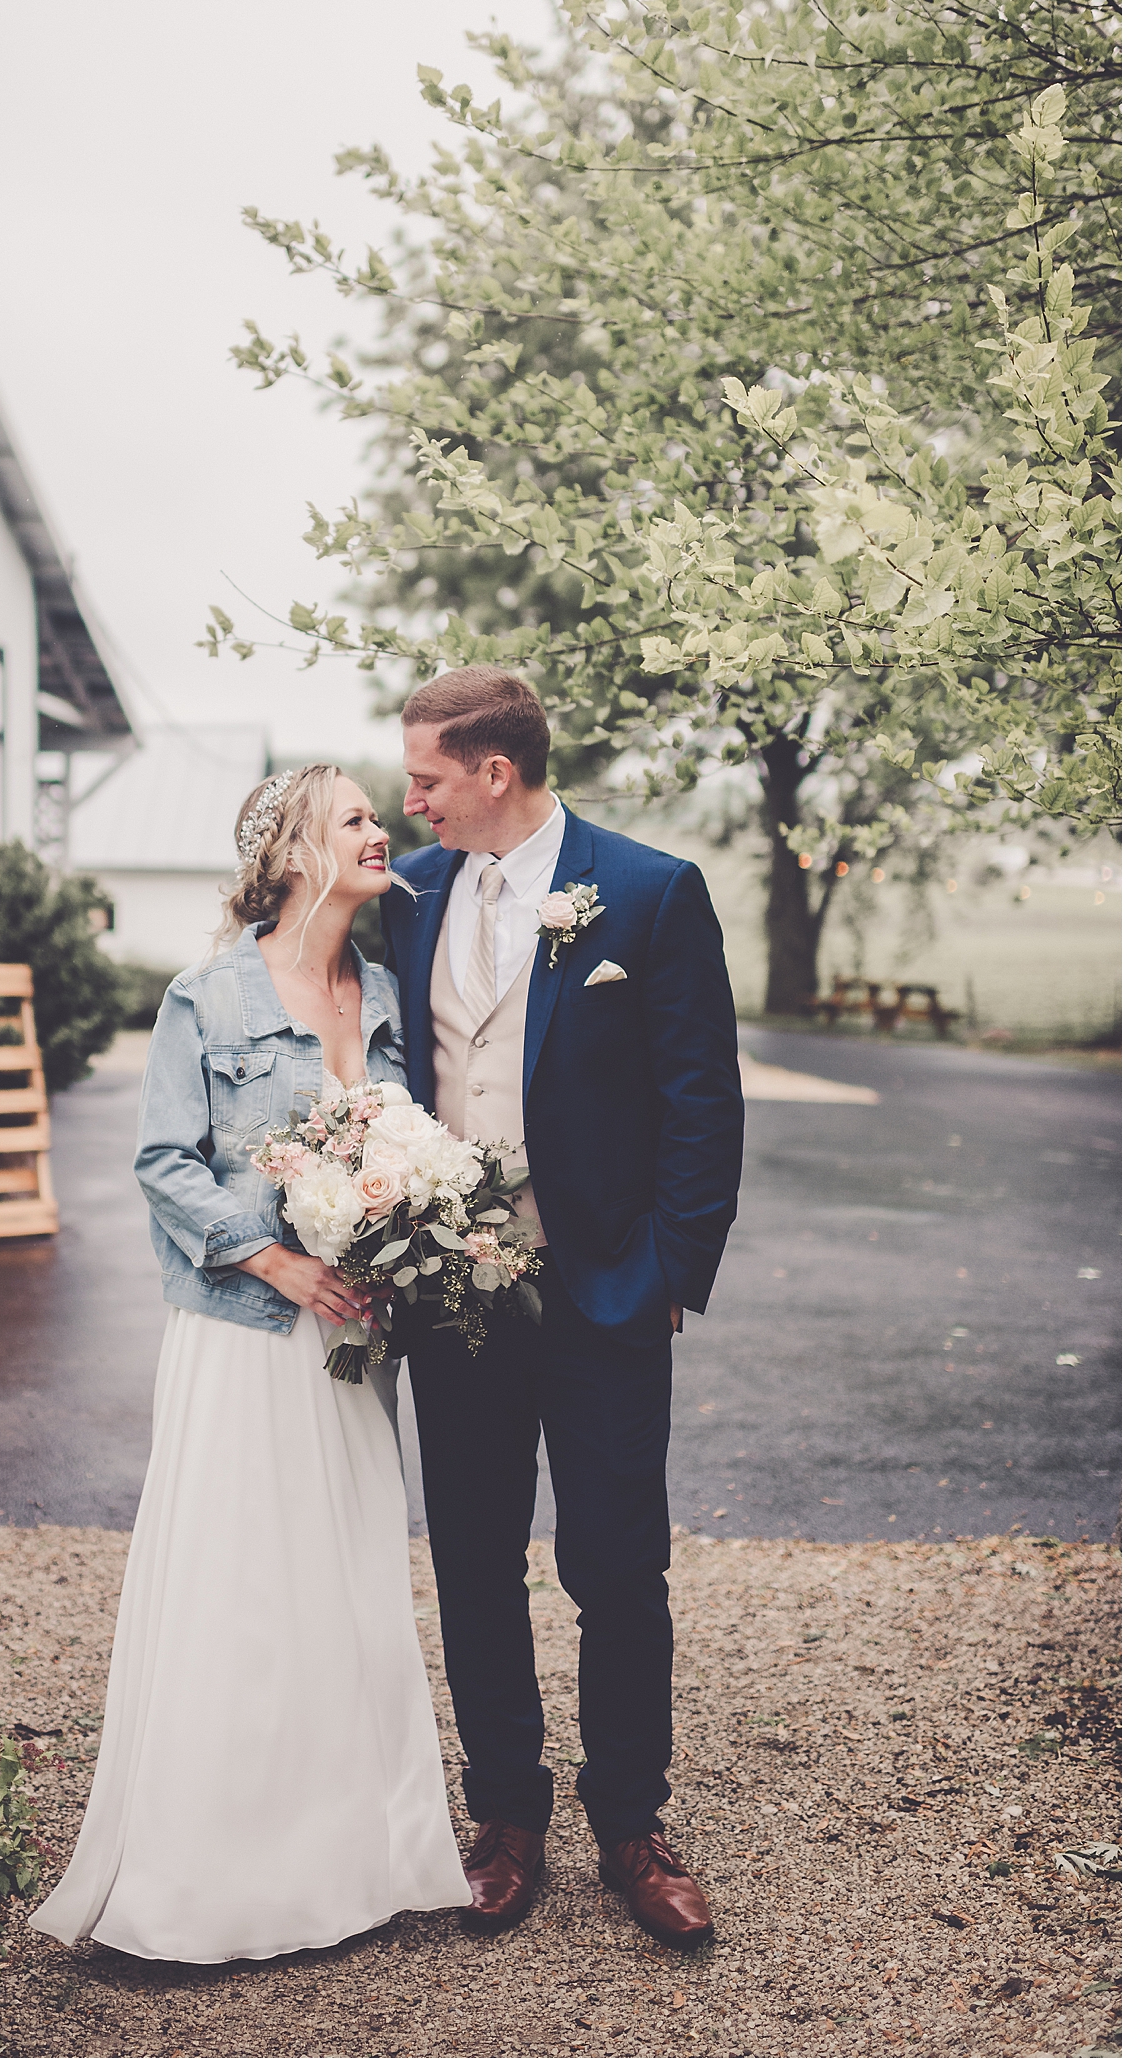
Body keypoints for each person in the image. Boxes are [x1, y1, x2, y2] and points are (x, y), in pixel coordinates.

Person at [29, 763, 469, 1963]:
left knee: (345, 1578)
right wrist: (276, 1262)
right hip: (244, 1331)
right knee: (240, 1586)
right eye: (357, 819)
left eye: (382, 814)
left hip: (352, 1342)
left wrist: (401, 1231)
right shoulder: (205, 996)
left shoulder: (378, 986)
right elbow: (165, 1161)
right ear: (289, 856)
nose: (384, 831)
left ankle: (356, 1857)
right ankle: (205, 1880)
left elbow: (398, 1144)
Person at [381, 667, 744, 1948]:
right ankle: (506, 1818)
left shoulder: (646, 890)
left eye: (424, 774)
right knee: (476, 1561)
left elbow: (702, 1100)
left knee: (615, 1565)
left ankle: (631, 1826)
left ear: (495, 771)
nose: (406, 796)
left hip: (600, 1294)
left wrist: (664, 1275)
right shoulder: (409, 895)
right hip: (451, 1301)